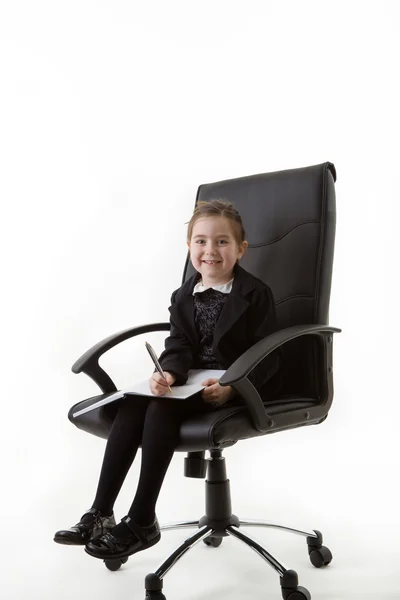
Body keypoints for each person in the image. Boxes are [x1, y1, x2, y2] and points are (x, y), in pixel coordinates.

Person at [54, 199, 281, 561]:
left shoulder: (255, 295)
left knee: (158, 409)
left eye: (222, 242)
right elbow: (178, 344)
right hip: (189, 382)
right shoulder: (182, 295)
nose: (210, 250)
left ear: (241, 250)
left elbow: (269, 352)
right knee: (133, 404)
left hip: (235, 383)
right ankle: (100, 513)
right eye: (201, 241)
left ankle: (143, 518)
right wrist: (169, 373)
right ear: (189, 246)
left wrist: (232, 387)